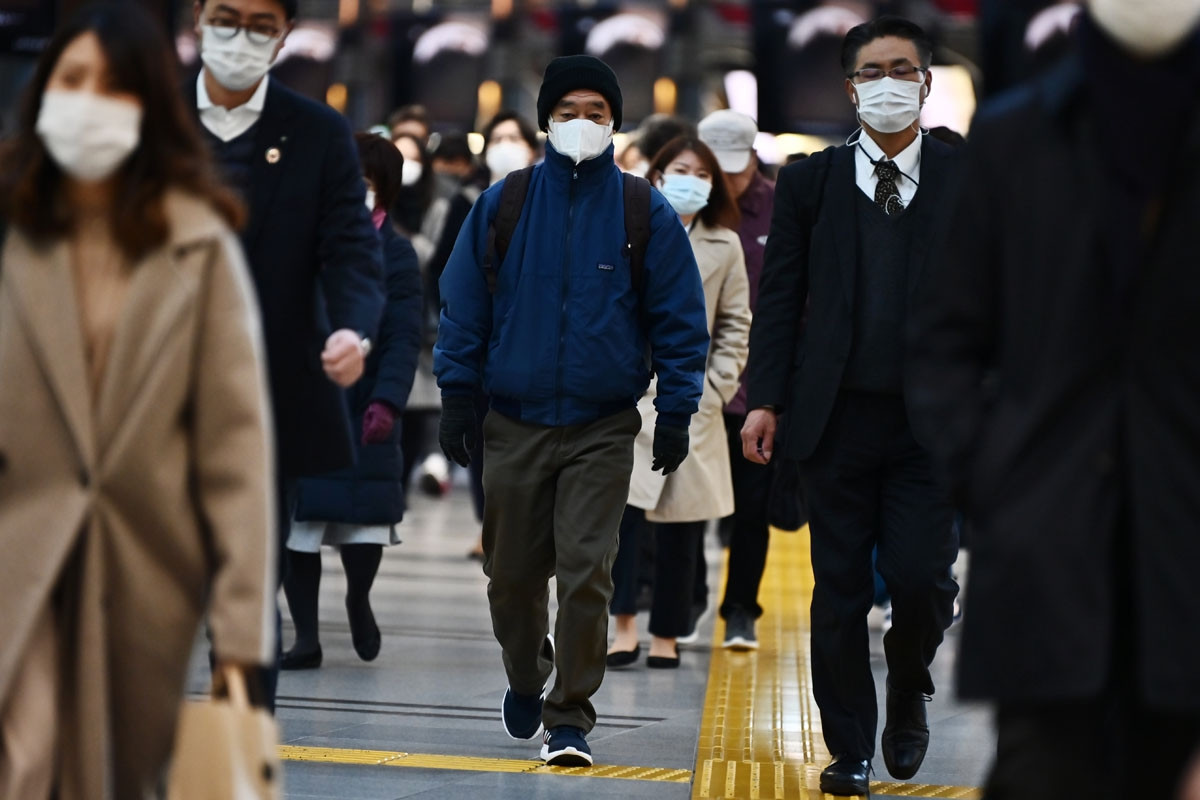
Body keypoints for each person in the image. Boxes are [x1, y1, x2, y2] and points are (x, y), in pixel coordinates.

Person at [908, 2, 1200, 798]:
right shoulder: (1018, 137)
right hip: (1048, 533)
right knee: (1042, 771)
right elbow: (946, 338)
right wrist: (993, 478)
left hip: (1183, 543)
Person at [0, 6, 275, 797]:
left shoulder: (199, 244)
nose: (88, 102)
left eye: (114, 88)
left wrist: (240, 640)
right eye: (73, 79)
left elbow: (236, 455)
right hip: (16, 562)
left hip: (144, 582)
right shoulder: (14, 228)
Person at [434, 55, 709, 767]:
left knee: (589, 571)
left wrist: (675, 412)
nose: (581, 123)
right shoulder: (506, 203)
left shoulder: (642, 211)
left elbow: (681, 321)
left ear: (615, 122)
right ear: (545, 120)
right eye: (568, 111)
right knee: (511, 579)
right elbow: (464, 306)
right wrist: (458, 395)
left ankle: (570, 716)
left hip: (602, 425)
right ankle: (528, 674)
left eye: (596, 111)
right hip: (516, 421)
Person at [740, 16, 960, 797]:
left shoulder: (967, 176)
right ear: (850, 87)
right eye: (873, 71)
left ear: (926, 82)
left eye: (904, 68)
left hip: (934, 424)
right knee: (835, 590)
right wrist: (764, 398)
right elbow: (781, 299)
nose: (889, 83)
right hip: (834, 418)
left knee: (923, 578)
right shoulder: (811, 182)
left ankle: (908, 683)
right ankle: (851, 747)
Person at [187, 0, 385, 707]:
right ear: (198, 18)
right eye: (226, 16)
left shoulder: (316, 132)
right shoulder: (148, 118)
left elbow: (353, 251)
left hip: (261, 397)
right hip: (144, 394)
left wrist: (351, 331)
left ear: (284, 36)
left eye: (260, 24)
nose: (240, 36)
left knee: (243, 594)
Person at [608, 137, 751, 669]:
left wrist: (714, 391)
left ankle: (666, 635)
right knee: (621, 525)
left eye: (701, 172)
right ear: (659, 175)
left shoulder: (724, 244)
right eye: (679, 169)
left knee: (682, 531)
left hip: (691, 401)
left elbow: (737, 324)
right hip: (626, 399)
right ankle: (623, 628)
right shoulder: (631, 229)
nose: (690, 179)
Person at [281, 132, 422, 670]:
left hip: (365, 405)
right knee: (301, 528)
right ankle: (307, 637)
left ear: (383, 190)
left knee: (362, 523)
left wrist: (387, 401)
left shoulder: (397, 253)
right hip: (307, 401)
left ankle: (358, 599)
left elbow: (404, 334)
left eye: (361, 185)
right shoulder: (305, 238)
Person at [428, 110, 542, 560]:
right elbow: (444, 268)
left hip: (527, 342)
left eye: (515, 137)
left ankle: (518, 525)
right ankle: (486, 525)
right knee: (478, 439)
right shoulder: (469, 200)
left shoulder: (545, 197)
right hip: (480, 341)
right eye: (499, 137)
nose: (507, 144)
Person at [697, 109, 778, 650]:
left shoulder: (780, 207)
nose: (727, 180)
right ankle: (677, 604)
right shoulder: (686, 204)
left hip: (759, 388)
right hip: (695, 387)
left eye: (737, 166)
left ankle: (742, 608)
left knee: (754, 507)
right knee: (683, 504)